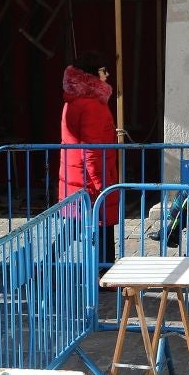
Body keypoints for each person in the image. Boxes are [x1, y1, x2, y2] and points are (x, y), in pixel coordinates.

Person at [59, 52, 120, 270]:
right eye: (104, 70)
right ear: (92, 75)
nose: (108, 74)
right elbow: (92, 150)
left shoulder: (74, 101)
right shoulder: (92, 105)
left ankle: (46, 264)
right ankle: (104, 271)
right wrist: (102, 185)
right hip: (92, 179)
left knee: (74, 224)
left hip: (77, 177)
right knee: (102, 224)